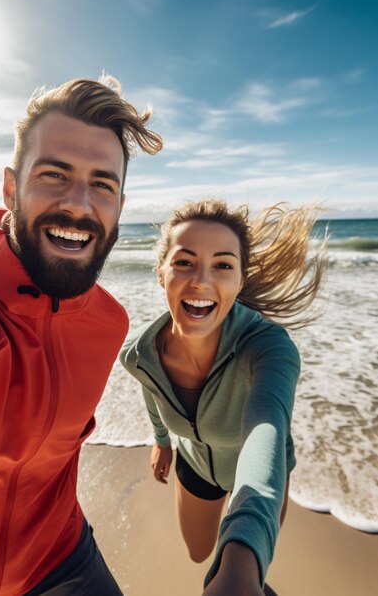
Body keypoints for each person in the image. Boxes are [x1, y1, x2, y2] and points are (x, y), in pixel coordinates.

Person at [0, 75, 162, 596]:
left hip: (61, 560)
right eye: (55, 174)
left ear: (120, 204)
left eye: (102, 184)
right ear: (11, 189)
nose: (78, 204)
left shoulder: (109, 322)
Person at [120, 199, 326, 596]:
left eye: (223, 265)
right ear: (160, 274)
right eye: (184, 262)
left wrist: (240, 567)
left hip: (263, 473)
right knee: (199, 554)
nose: (200, 280)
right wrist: (161, 441)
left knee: (237, 559)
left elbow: (266, 433)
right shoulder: (138, 355)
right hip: (195, 465)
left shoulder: (269, 349)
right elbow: (152, 391)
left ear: (240, 281)